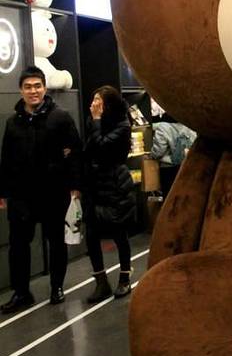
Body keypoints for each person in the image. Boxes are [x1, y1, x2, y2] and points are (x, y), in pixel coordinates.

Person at [0, 66, 82, 313]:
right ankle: (22, 293)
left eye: (37, 86)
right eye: (28, 87)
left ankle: (57, 287)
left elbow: (75, 153)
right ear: (21, 90)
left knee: (55, 241)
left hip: (53, 192)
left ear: (45, 88)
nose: (33, 91)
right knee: (18, 245)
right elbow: (6, 159)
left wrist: (75, 187)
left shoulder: (61, 117)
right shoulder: (12, 122)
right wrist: (3, 192)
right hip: (20, 196)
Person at [83, 85, 135, 303]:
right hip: (95, 185)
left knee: (118, 232)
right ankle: (100, 281)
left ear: (110, 104)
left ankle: (124, 277)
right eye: (94, 100)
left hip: (115, 184)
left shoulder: (122, 125)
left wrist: (96, 122)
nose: (95, 104)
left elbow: (102, 148)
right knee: (91, 234)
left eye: (100, 101)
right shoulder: (94, 122)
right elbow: (90, 149)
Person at [149, 113, 196, 197]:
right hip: (187, 166)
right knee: (185, 195)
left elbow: (158, 152)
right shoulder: (189, 124)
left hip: (168, 169)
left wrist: (151, 155)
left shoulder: (163, 127)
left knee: (169, 196)